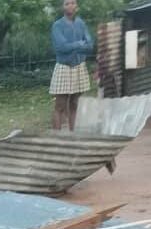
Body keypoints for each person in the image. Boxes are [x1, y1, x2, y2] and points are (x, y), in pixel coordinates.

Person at [50, 0, 94, 131]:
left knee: (75, 103)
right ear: (62, 7)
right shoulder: (57, 25)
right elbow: (61, 47)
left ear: (77, 6)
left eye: (73, 3)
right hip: (64, 67)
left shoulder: (81, 23)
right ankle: (56, 138)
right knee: (60, 106)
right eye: (67, 3)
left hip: (79, 66)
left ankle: (72, 133)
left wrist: (74, 47)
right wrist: (80, 44)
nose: (70, 6)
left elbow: (90, 45)